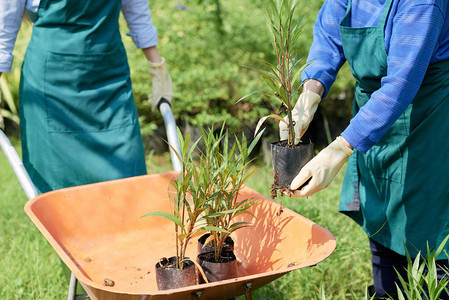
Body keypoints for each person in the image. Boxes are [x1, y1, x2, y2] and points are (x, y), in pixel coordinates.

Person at [280, 0, 449, 298]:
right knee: (382, 224)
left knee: (431, 242)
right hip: (372, 124)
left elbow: (401, 84)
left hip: (428, 122)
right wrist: (310, 96)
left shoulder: (423, 3)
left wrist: (339, 149)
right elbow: (329, 36)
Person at [0, 0, 173, 193]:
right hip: (53, 86)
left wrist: (157, 67)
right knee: (58, 191)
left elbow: (135, 7)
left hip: (109, 82)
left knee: (128, 184)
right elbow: (4, 23)